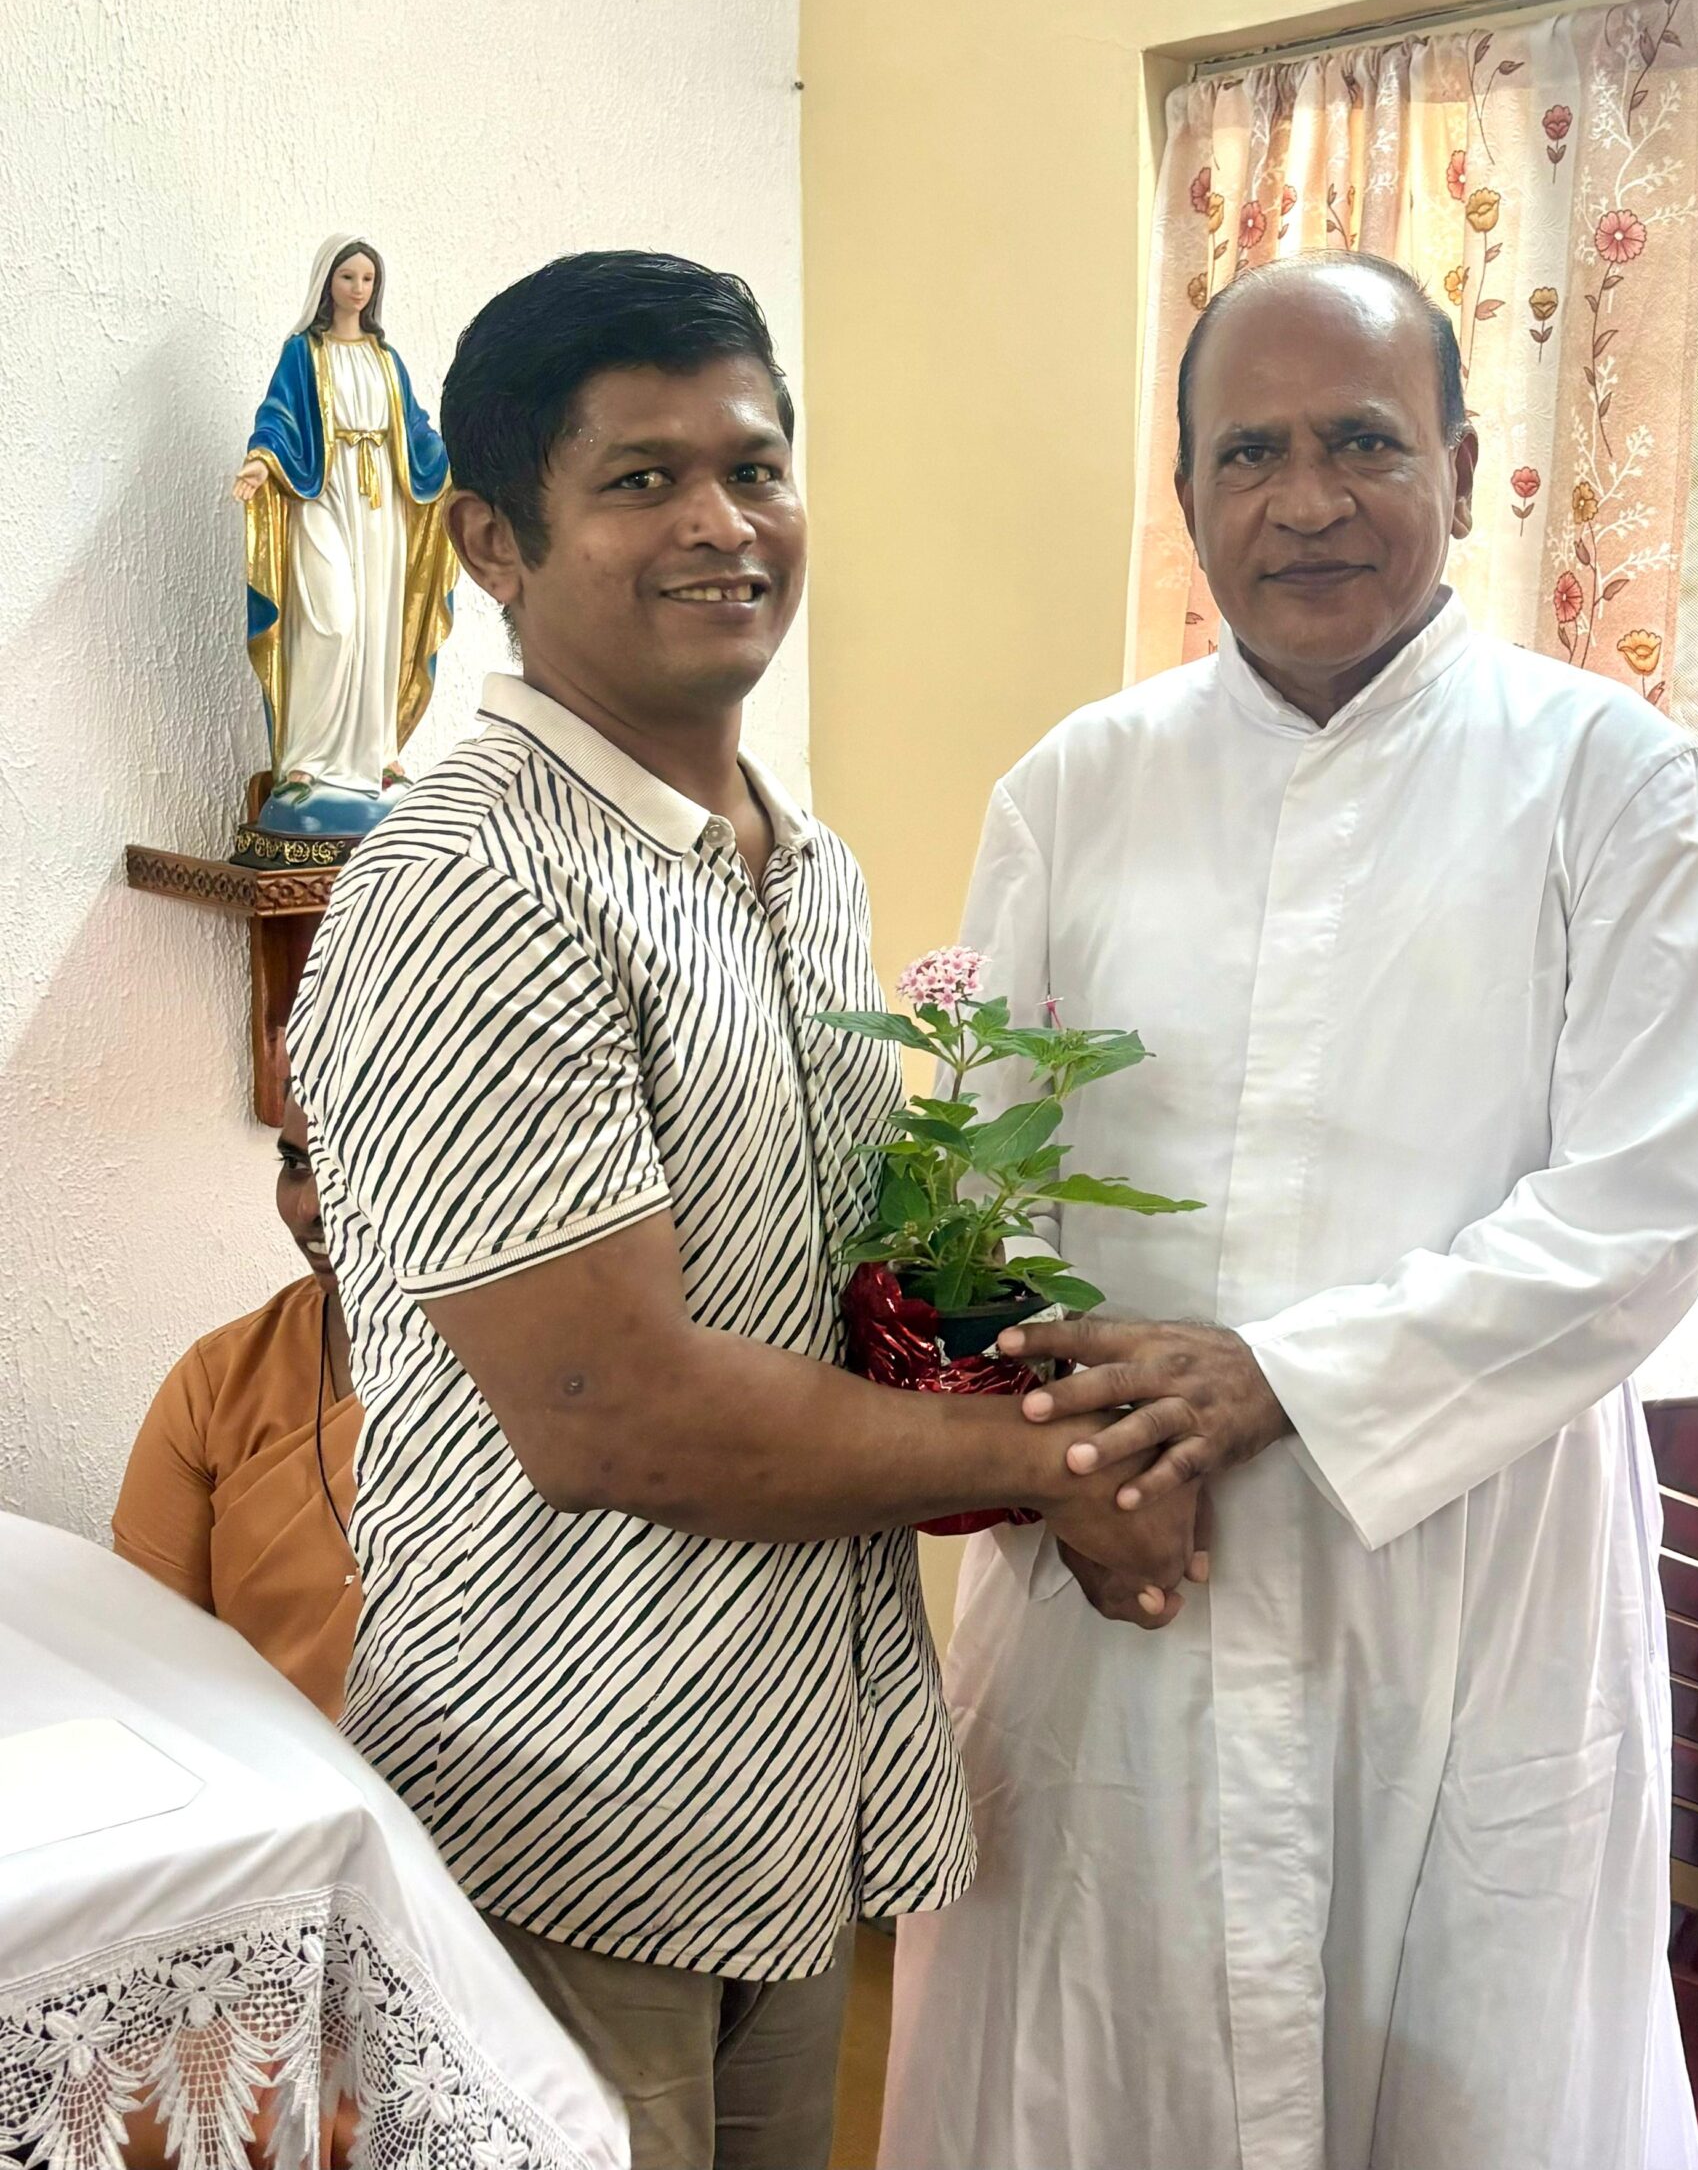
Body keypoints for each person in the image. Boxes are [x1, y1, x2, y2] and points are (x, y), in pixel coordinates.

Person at [283, 250, 1183, 2170]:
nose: (721, 524)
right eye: (639, 480)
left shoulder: (797, 862)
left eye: (754, 468)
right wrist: (1046, 1466)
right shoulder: (479, 881)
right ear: (490, 541)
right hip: (565, 1787)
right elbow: (615, 1412)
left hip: (782, 1778)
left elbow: (831, 1277)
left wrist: (1046, 1360)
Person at [879, 253, 1698, 2170]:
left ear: (1458, 466)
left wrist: (1278, 1376)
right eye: (1247, 453)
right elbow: (984, 1195)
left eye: (1360, 442)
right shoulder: (1074, 789)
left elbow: (1634, 1221)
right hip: (1125, 1571)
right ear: (1185, 494)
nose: (1304, 502)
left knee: (1461, 2075)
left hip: (1458, 1590)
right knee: (1093, 2074)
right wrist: (1057, 1466)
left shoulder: (1611, 782)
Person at [113, 1088, 360, 1721]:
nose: (309, 1206)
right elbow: (147, 1656)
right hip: (252, 1767)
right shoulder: (219, 1380)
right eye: (295, 1163)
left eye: (349, 1165)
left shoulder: (546, 1386)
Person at [232, 234, 457, 838]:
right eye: (348, 276)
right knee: (330, 621)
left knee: (377, 626)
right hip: (322, 494)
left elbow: (415, 428)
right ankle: (304, 762)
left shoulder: (386, 358)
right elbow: (279, 416)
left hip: (381, 501)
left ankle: (377, 755)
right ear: (326, 282)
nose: (358, 289)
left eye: (367, 279)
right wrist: (262, 461)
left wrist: (457, 465)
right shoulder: (303, 353)